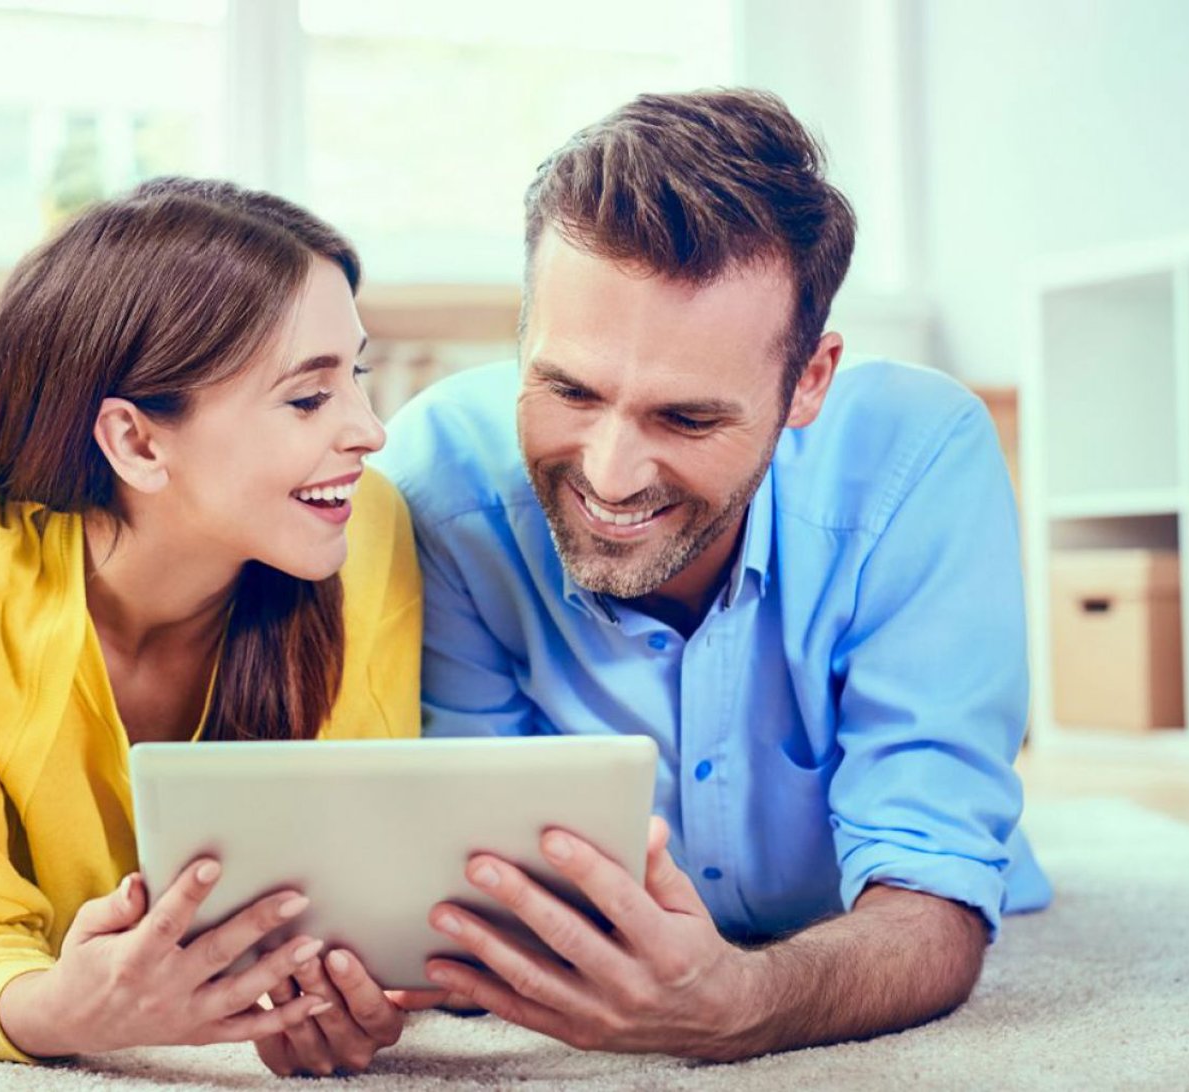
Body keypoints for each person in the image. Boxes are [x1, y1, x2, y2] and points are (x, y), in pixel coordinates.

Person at [373, 88, 1053, 1061]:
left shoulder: (920, 460)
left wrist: (748, 1002)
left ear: (808, 381)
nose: (608, 476)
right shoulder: (437, 481)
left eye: (687, 419)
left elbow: (931, 907)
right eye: (568, 389)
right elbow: (470, 870)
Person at [0, 177, 439, 1075]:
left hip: (129, 864)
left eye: (356, 377)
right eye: (307, 399)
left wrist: (338, 983)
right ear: (137, 441)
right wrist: (64, 1011)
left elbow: (353, 884)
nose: (369, 432)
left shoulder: (361, 526)